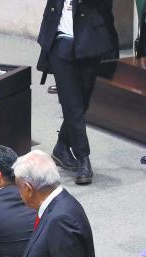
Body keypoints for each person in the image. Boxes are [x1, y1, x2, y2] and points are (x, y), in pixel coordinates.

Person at [38, 0, 118, 185]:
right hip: (59, 45)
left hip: (89, 43)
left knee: (81, 103)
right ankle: (83, 158)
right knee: (72, 105)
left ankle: (62, 146)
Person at [13, 150, 103, 257]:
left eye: (19, 187)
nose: (18, 193)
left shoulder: (61, 220)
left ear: (29, 189)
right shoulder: (56, 204)